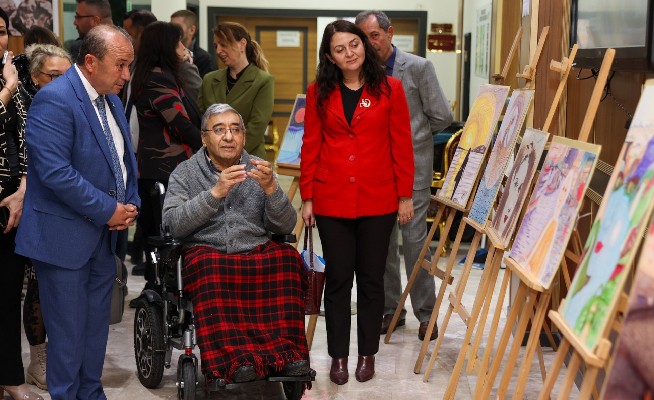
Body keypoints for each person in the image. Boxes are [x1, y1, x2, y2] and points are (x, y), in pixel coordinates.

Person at [15, 25, 140, 400]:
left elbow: (122, 160)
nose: (126, 75)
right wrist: (108, 210)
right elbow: (55, 173)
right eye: (120, 65)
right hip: (64, 239)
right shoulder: (54, 99)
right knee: (68, 337)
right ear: (90, 61)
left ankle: (91, 394)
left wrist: (131, 201)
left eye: (129, 65)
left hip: (103, 237)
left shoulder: (111, 100)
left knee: (94, 332)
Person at [300, 19, 414, 385]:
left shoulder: (390, 89)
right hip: (331, 200)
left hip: (378, 199)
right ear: (330, 57)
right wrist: (307, 196)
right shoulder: (319, 92)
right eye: (340, 49)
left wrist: (405, 195)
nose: (349, 53)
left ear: (364, 44)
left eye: (354, 44)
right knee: (337, 280)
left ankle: (367, 354)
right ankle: (338, 357)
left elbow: (402, 144)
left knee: (371, 280)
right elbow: (311, 145)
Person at [162, 103, 310, 383]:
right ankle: (232, 361)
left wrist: (271, 189)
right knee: (210, 266)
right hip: (208, 251)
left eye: (235, 129)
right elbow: (173, 224)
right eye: (219, 130)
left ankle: (287, 355)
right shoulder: (185, 173)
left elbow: (285, 226)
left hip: (254, 248)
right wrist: (215, 193)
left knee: (288, 259)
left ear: (244, 135)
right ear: (204, 138)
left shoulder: (259, 168)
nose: (229, 136)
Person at [356, 10, 453, 341]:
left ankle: (426, 313)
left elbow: (441, 116)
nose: (370, 43)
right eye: (363, 38)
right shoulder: (361, 71)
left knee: (414, 245)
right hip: (376, 173)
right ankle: (391, 311)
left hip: (413, 171)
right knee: (382, 246)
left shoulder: (418, 67)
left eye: (374, 35)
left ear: (390, 32)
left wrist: (413, 136)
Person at [127, 21, 203, 307]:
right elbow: (180, 124)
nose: (183, 48)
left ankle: (159, 288)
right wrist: (214, 145)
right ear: (166, 47)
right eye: (178, 43)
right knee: (164, 234)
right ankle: (160, 292)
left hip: (157, 169)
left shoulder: (157, 75)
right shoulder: (158, 78)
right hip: (164, 170)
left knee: (158, 232)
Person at [18, 43, 73, 392]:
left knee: (56, 288)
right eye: (53, 76)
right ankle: (35, 360)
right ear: (35, 76)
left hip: (64, 208)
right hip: (25, 206)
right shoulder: (20, 103)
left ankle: (54, 357)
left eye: (66, 76)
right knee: (32, 285)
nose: (60, 83)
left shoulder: (73, 104)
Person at [0, 8, 42, 400]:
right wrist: (6, 93)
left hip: (11, 199)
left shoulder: (11, 74)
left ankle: (12, 377)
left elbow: (25, 137)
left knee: (9, 294)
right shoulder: (9, 83)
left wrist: (25, 187)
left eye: (0, 31)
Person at [198, 22, 273, 160]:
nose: (218, 51)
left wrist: (228, 157)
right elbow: (201, 120)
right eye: (216, 46)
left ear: (242, 44)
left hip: (247, 161)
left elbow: (256, 128)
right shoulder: (209, 79)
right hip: (211, 161)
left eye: (223, 45)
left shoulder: (263, 81)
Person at [171, 9, 218, 78]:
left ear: (192, 30)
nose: (172, 30)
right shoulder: (167, 54)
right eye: (171, 27)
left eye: (177, 27)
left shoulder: (205, 60)